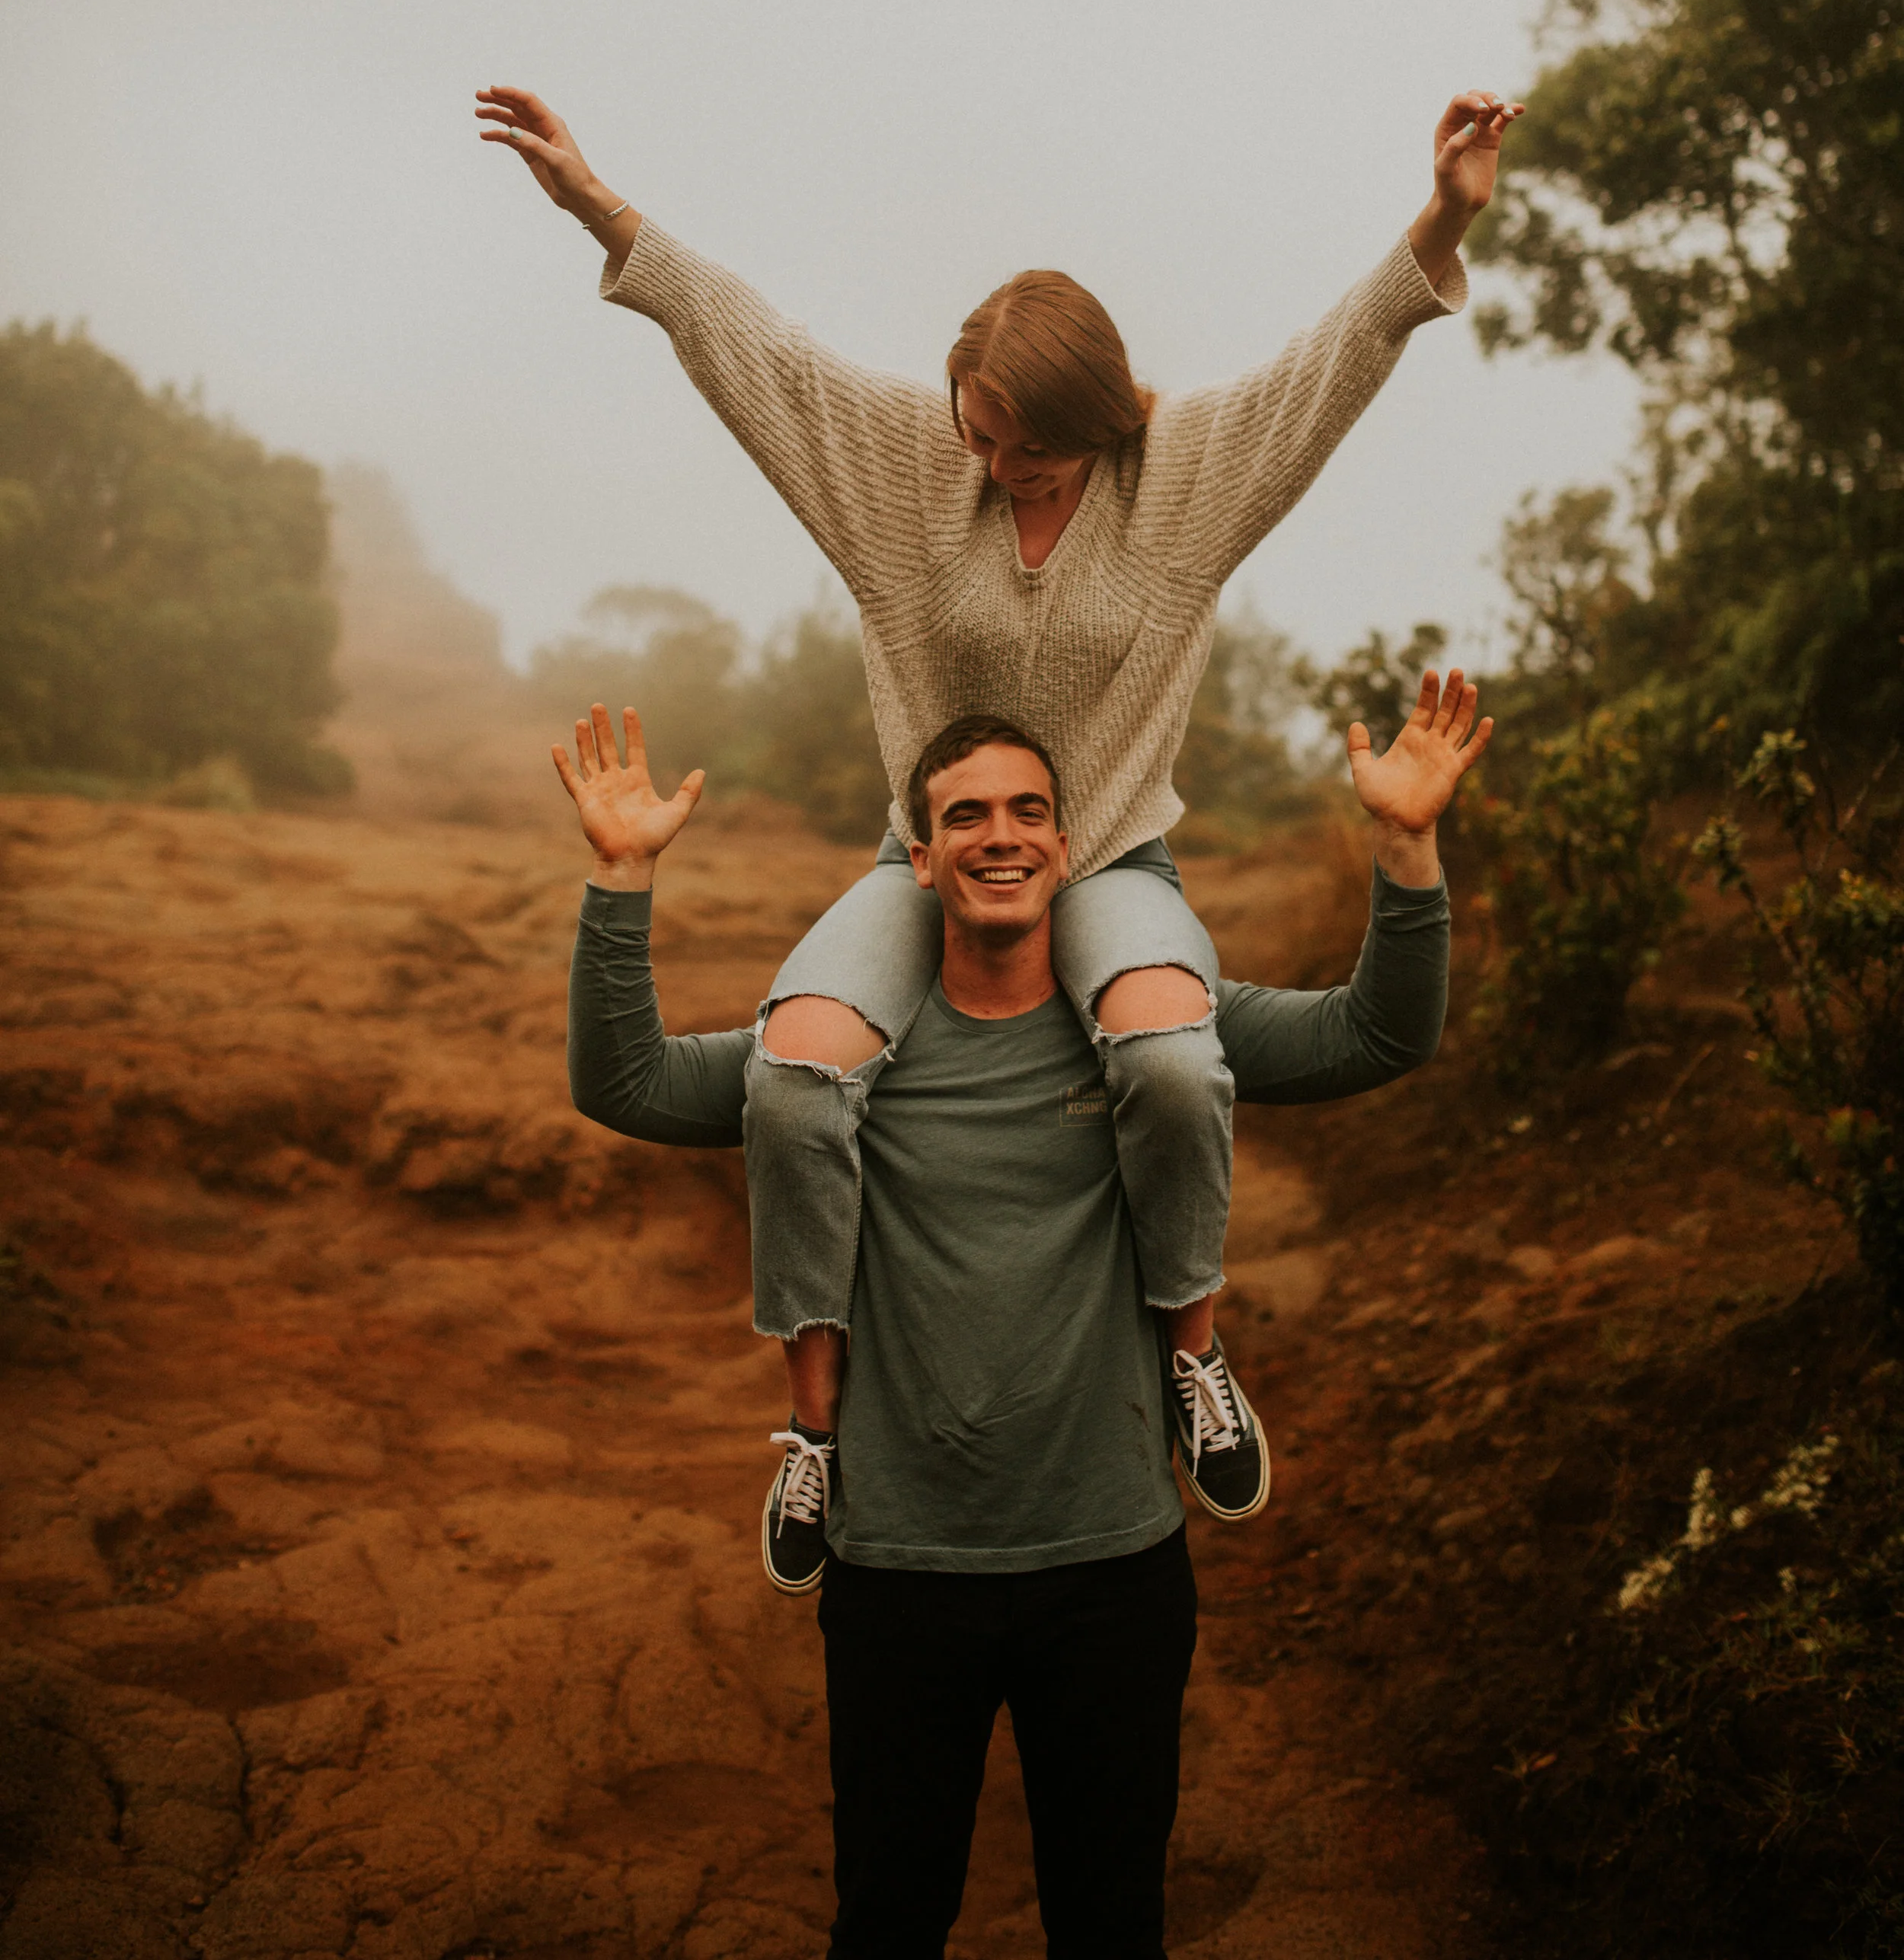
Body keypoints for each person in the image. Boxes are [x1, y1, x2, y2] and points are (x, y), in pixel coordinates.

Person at [481, 79, 1519, 1562]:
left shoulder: (1184, 478)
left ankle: (1192, 1358)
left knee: (1167, 1067)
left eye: (1023, 444)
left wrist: (1442, 218)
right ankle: (809, 1427)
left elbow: (1328, 359)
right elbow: (756, 348)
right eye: (975, 432)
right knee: (787, 1088)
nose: (992, 464)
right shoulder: (911, 471)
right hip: (924, 861)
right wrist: (601, 210)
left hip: (1108, 860)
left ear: (1093, 418)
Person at [557, 678, 1489, 1960]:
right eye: (968, 815)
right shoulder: (838, 1053)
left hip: (1112, 1568)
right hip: (897, 1573)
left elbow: (1382, 1033)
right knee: (889, 1921)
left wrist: (1405, 846)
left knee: (1111, 1926)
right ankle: (811, 1453)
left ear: (1064, 844)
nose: (1001, 835)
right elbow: (626, 1080)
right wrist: (619, 879)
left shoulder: (1149, 1026)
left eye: (1029, 812)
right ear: (922, 855)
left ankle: (1194, 1371)